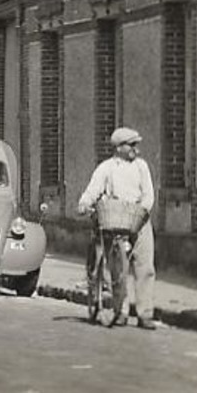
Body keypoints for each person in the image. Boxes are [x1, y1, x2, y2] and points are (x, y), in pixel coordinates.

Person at [76, 125, 158, 330]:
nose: (135, 149)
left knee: (145, 267)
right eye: (131, 145)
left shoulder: (141, 166)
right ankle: (120, 311)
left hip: (140, 221)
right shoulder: (107, 168)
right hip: (116, 221)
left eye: (136, 145)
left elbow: (149, 195)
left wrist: (141, 213)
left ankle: (145, 313)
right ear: (119, 147)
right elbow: (93, 189)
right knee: (118, 270)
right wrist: (84, 203)